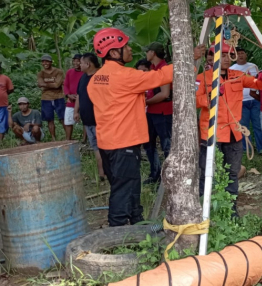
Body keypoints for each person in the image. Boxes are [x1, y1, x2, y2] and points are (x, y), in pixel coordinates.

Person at [87, 27, 204, 227]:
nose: (130, 49)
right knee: (123, 188)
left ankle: (136, 222)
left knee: (129, 184)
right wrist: (188, 58)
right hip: (124, 142)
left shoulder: (96, 79)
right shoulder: (124, 76)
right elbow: (160, 77)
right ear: (114, 52)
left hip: (108, 142)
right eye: (125, 46)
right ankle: (116, 231)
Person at [195, 44, 262, 213]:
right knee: (206, 173)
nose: (226, 58)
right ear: (213, 59)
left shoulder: (237, 76)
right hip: (212, 133)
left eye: (229, 55)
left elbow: (257, 84)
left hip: (233, 133)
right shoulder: (202, 78)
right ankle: (203, 209)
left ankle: (231, 209)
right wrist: (212, 96)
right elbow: (195, 100)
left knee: (232, 172)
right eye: (222, 55)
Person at [143, 42, 172, 185]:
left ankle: (168, 177)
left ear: (152, 53)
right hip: (152, 112)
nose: (146, 54)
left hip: (163, 112)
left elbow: (164, 94)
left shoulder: (164, 69)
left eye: (147, 51)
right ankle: (155, 173)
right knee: (148, 143)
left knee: (167, 145)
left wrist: (145, 102)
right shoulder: (153, 69)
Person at [75, 53, 106, 180]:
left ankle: (105, 173)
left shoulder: (101, 77)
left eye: (81, 63)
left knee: (103, 148)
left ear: (88, 64)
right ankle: (102, 174)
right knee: (95, 147)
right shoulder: (83, 78)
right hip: (87, 120)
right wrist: (76, 111)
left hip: (99, 120)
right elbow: (79, 95)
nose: (79, 65)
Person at [230, 47, 262, 155]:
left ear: (246, 55)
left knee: (258, 125)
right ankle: (247, 149)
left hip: (254, 100)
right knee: (244, 127)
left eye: (242, 52)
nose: (240, 55)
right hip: (240, 101)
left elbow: (259, 82)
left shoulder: (253, 66)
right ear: (234, 56)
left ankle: (261, 149)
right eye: (238, 53)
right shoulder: (231, 69)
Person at [37, 54, 65, 141]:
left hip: (59, 96)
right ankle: (53, 138)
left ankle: (68, 136)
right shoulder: (40, 73)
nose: (45, 63)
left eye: (47, 61)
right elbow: (40, 84)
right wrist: (53, 84)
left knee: (62, 118)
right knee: (50, 119)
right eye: (43, 61)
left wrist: (45, 85)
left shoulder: (58, 72)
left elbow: (57, 85)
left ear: (51, 62)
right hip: (46, 98)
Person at [63, 54, 85, 141]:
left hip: (83, 99)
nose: (75, 63)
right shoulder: (69, 72)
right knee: (68, 120)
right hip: (71, 99)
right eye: (74, 61)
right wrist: (68, 95)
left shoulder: (85, 72)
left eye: (78, 61)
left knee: (86, 120)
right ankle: (68, 139)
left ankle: (84, 139)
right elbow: (66, 85)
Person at [0, 65, 14, 142]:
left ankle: (1, 141)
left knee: (2, 122)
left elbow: (11, 89)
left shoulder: (5, 78)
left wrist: (4, 94)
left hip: (3, 104)